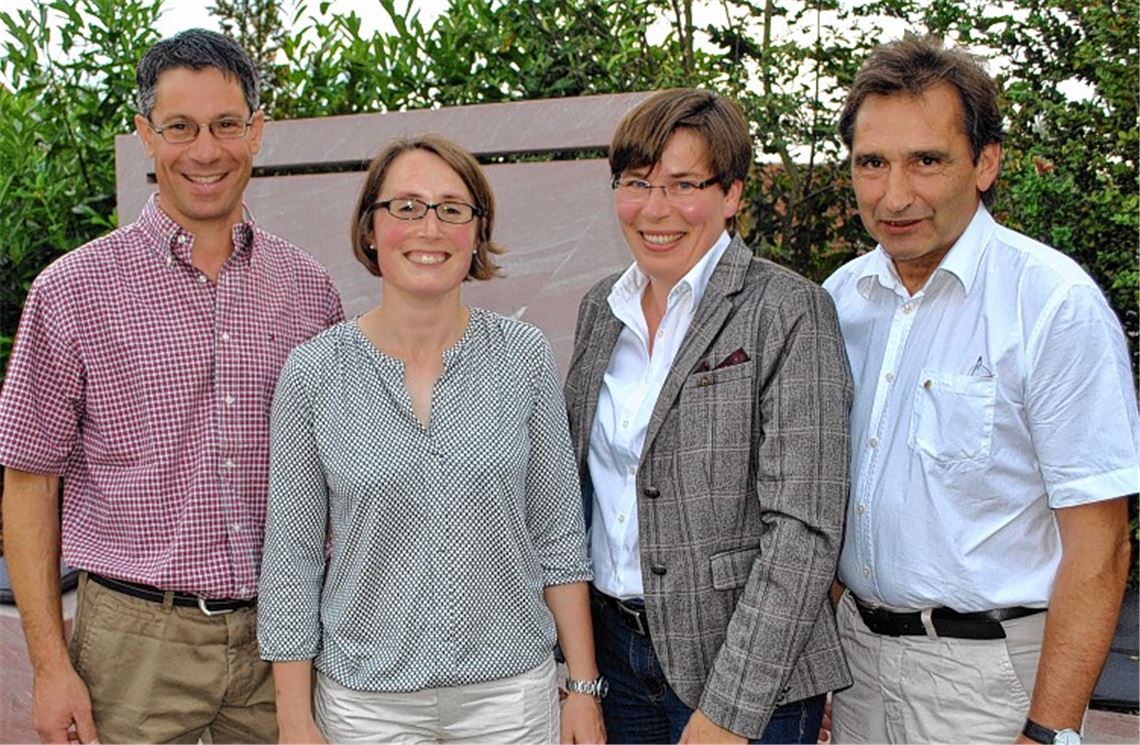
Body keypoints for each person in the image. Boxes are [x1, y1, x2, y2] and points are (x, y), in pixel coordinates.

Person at [0, 28, 343, 744]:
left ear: (256, 132)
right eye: (180, 127)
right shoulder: (71, 291)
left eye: (225, 125)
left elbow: (337, 476)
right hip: (132, 645)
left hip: (283, 638)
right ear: (145, 135)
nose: (206, 150)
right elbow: (29, 482)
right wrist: (50, 665)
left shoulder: (309, 291)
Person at [823, 35, 1138, 744]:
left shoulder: (1051, 306)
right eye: (872, 163)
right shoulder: (838, 302)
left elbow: (1101, 548)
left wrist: (1049, 730)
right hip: (858, 666)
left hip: (992, 686)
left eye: (926, 161)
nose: (894, 194)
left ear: (986, 162)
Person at [257, 134, 605, 745]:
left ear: (476, 233)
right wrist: (293, 717)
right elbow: (293, 559)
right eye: (407, 207)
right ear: (370, 229)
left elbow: (558, 536)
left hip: (510, 701)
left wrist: (582, 689)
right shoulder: (314, 371)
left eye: (452, 209)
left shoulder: (523, 359)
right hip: (366, 705)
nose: (430, 228)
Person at [564, 88, 853, 744]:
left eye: (684, 183)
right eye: (637, 182)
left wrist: (730, 708)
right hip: (618, 662)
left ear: (732, 195)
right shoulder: (599, 309)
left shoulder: (787, 310)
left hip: (749, 675)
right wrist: (578, 672)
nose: (656, 208)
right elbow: (580, 491)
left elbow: (805, 528)